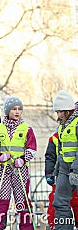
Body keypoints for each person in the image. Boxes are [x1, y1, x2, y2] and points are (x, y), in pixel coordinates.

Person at [0, 96, 37, 230]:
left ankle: (26, 226)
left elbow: (32, 148)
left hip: (20, 169)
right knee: (2, 197)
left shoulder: (27, 129)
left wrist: (23, 159)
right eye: (14, 109)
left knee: (22, 198)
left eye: (19, 109)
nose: (17, 112)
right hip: (4, 168)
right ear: (8, 111)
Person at [52, 90, 78, 230]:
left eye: (61, 111)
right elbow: (61, 149)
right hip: (64, 169)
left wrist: (76, 169)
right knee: (59, 202)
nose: (59, 115)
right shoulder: (62, 125)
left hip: (76, 168)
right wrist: (57, 169)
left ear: (68, 110)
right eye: (57, 112)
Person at [45, 131, 78, 230]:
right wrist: (49, 174)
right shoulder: (54, 138)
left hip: (74, 173)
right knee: (55, 202)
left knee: (76, 202)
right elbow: (50, 157)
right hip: (60, 175)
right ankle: (55, 225)